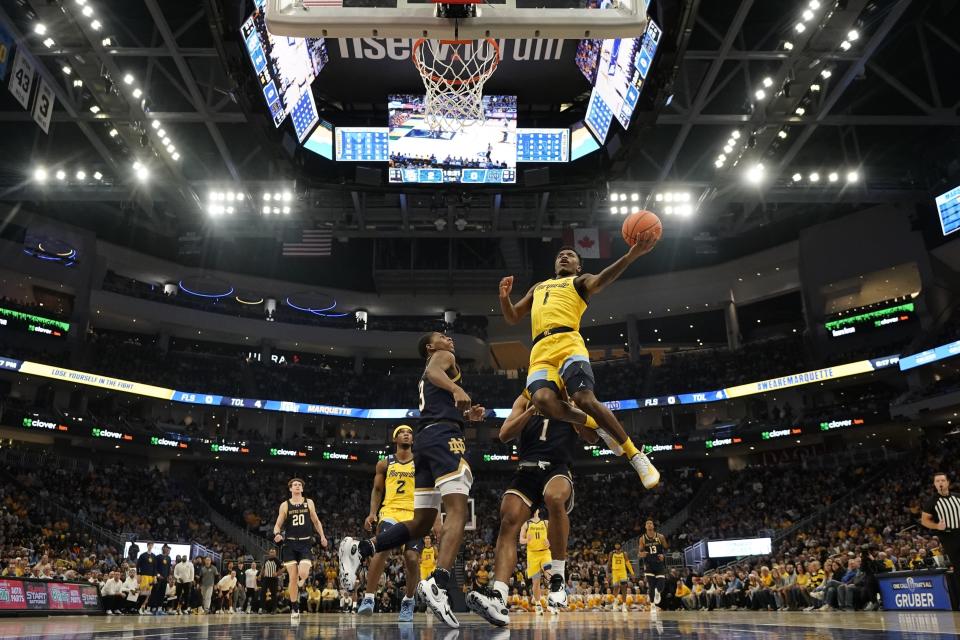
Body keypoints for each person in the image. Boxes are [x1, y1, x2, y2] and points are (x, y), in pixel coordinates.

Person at [340, 331, 485, 628]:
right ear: (431, 347)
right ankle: (439, 582)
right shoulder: (441, 359)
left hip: (426, 440)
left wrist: (467, 415)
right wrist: (457, 392)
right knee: (457, 508)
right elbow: (435, 372)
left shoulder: (432, 371)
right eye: (442, 337)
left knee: (420, 523)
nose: (449, 339)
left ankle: (361, 549)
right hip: (445, 437)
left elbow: (437, 397)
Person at [498, 244, 660, 488]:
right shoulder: (538, 287)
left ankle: (634, 454)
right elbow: (512, 317)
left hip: (568, 343)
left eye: (570, 255)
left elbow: (602, 280)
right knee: (541, 400)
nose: (564, 256)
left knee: (584, 399)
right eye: (560, 255)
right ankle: (596, 424)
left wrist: (629, 256)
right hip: (540, 350)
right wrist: (504, 298)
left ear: (578, 265)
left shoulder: (580, 281)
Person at [467, 393, 596, 626]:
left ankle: (557, 577)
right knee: (508, 517)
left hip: (557, 467)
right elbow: (505, 434)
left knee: (554, 497)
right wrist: (530, 410)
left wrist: (570, 411)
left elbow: (593, 437)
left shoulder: (573, 398)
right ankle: (499, 596)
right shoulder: (525, 398)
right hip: (526, 469)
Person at [358, 425, 430, 622]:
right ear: (395, 438)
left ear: (413, 440)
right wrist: (372, 513)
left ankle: (408, 600)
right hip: (390, 511)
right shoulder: (385, 463)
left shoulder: (421, 462)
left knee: (412, 558)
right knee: (382, 548)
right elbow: (377, 489)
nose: (406, 434)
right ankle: (369, 598)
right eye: (402, 432)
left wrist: (437, 518)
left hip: (415, 514)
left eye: (409, 432)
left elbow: (433, 489)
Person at [273, 477, 329, 620]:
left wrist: (322, 536)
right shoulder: (285, 505)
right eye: (294, 485)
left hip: (305, 544)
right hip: (290, 544)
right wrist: (277, 534)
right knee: (292, 578)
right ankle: (294, 608)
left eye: (299, 485)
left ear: (302, 489)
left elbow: (316, 521)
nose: (297, 486)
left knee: (303, 573)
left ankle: (302, 579)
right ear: (290, 489)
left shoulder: (309, 502)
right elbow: (277, 525)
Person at [921, 470, 960, 609]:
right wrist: (937, 525)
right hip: (948, 536)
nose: (940, 483)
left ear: (948, 482)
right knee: (958, 567)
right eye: (937, 481)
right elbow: (924, 521)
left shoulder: (957, 497)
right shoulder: (931, 502)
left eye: (942, 480)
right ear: (934, 484)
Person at [521, 510, 551, 615]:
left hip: (545, 553)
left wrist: (549, 541)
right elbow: (521, 540)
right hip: (532, 555)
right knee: (536, 582)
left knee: (549, 575)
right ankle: (538, 604)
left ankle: (551, 602)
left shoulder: (545, 522)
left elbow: (553, 536)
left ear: (538, 510)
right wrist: (526, 540)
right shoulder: (526, 524)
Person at [639, 520, 667, 612]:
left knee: (661, 585)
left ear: (653, 526)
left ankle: (658, 592)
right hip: (649, 564)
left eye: (651, 523)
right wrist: (641, 554)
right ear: (645, 527)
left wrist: (664, 555)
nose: (649, 525)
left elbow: (666, 548)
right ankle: (652, 605)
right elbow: (640, 552)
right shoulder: (642, 538)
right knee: (651, 585)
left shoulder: (660, 536)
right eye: (647, 523)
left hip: (659, 563)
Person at [610, 542, 635, 612]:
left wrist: (632, 573)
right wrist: (607, 573)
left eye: (618, 544)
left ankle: (624, 605)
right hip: (615, 572)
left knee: (624, 588)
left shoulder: (624, 553)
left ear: (620, 545)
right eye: (616, 544)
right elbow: (609, 563)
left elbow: (627, 563)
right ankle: (615, 603)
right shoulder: (611, 553)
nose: (617, 545)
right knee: (616, 587)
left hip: (623, 572)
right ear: (614, 545)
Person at [136, 542, 158, 614]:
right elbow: (138, 566)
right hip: (144, 576)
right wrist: (138, 574)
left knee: (149, 593)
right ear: (147, 546)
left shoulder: (154, 556)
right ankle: (139, 607)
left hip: (151, 577)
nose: (150, 546)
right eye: (149, 545)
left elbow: (155, 567)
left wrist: (154, 577)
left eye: (152, 545)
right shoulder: (142, 555)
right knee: (143, 592)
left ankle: (144, 608)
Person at [261, 549, 280, 613]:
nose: (272, 553)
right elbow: (263, 568)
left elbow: (283, 568)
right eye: (271, 552)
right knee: (263, 593)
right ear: (269, 553)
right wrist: (260, 575)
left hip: (273, 579)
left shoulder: (277, 560)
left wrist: (277, 573)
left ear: (275, 553)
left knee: (274, 594)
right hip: (266, 578)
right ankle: (263, 608)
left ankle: (274, 609)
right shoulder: (266, 560)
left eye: (273, 552)